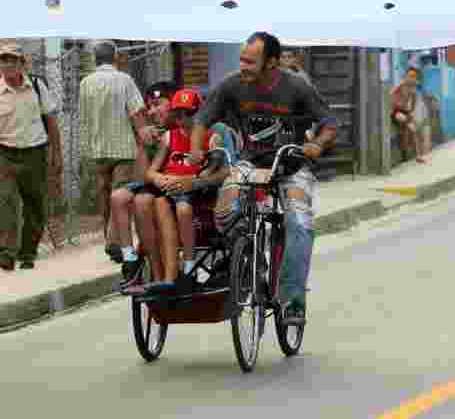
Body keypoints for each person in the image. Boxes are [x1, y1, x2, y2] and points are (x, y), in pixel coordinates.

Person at [189, 31, 337, 326]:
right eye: (241, 59)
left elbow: (330, 123)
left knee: (299, 223)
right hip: (249, 164)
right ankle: (247, 257)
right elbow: (202, 119)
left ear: (271, 63)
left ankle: (293, 300)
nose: (242, 66)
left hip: (291, 168)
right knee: (225, 212)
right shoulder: (232, 85)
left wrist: (317, 145)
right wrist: (195, 149)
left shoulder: (297, 87)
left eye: (250, 61)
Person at [140, 89, 231, 293]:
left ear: (200, 114)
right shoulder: (169, 138)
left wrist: (192, 179)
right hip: (169, 190)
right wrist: (160, 178)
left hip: (196, 191)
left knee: (182, 209)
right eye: (178, 114)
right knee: (158, 203)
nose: (183, 119)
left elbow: (216, 169)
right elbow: (151, 172)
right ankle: (169, 274)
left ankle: (190, 264)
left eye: (188, 114)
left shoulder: (212, 136)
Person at [78, 41, 147, 263]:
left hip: (97, 148)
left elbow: (84, 116)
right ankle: (112, 241)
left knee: (106, 195)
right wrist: (144, 135)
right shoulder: (124, 80)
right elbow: (136, 111)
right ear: (115, 57)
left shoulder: (85, 83)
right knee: (120, 193)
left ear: (95, 59)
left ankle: (112, 239)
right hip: (123, 148)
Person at [0, 41, 62, 271]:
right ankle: (6, 252)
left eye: (12, 60)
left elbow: (52, 123)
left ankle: (28, 252)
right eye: (3, 60)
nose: (7, 64)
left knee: (34, 206)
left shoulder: (37, 86)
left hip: (35, 153)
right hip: (5, 154)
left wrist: (57, 155)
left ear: (22, 63)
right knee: (4, 203)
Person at [109, 80, 177, 285]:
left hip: (174, 187)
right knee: (118, 196)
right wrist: (143, 144)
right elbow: (142, 176)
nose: (152, 111)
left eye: (158, 104)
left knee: (143, 201)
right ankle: (129, 258)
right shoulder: (153, 134)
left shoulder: (184, 128)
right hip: (151, 183)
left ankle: (158, 273)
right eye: (149, 106)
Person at [392, 67, 426, 164]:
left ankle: (418, 155)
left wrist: (410, 111)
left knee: (414, 129)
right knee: (407, 126)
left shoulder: (413, 89)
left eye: (413, 77)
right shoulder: (401, 85)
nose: (411, 78)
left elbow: (414, 102)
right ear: (406, 76)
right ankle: (409, 153)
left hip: (405, 111)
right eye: (410, 76)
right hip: (396, 111)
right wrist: (396, 104)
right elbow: (391, 94)